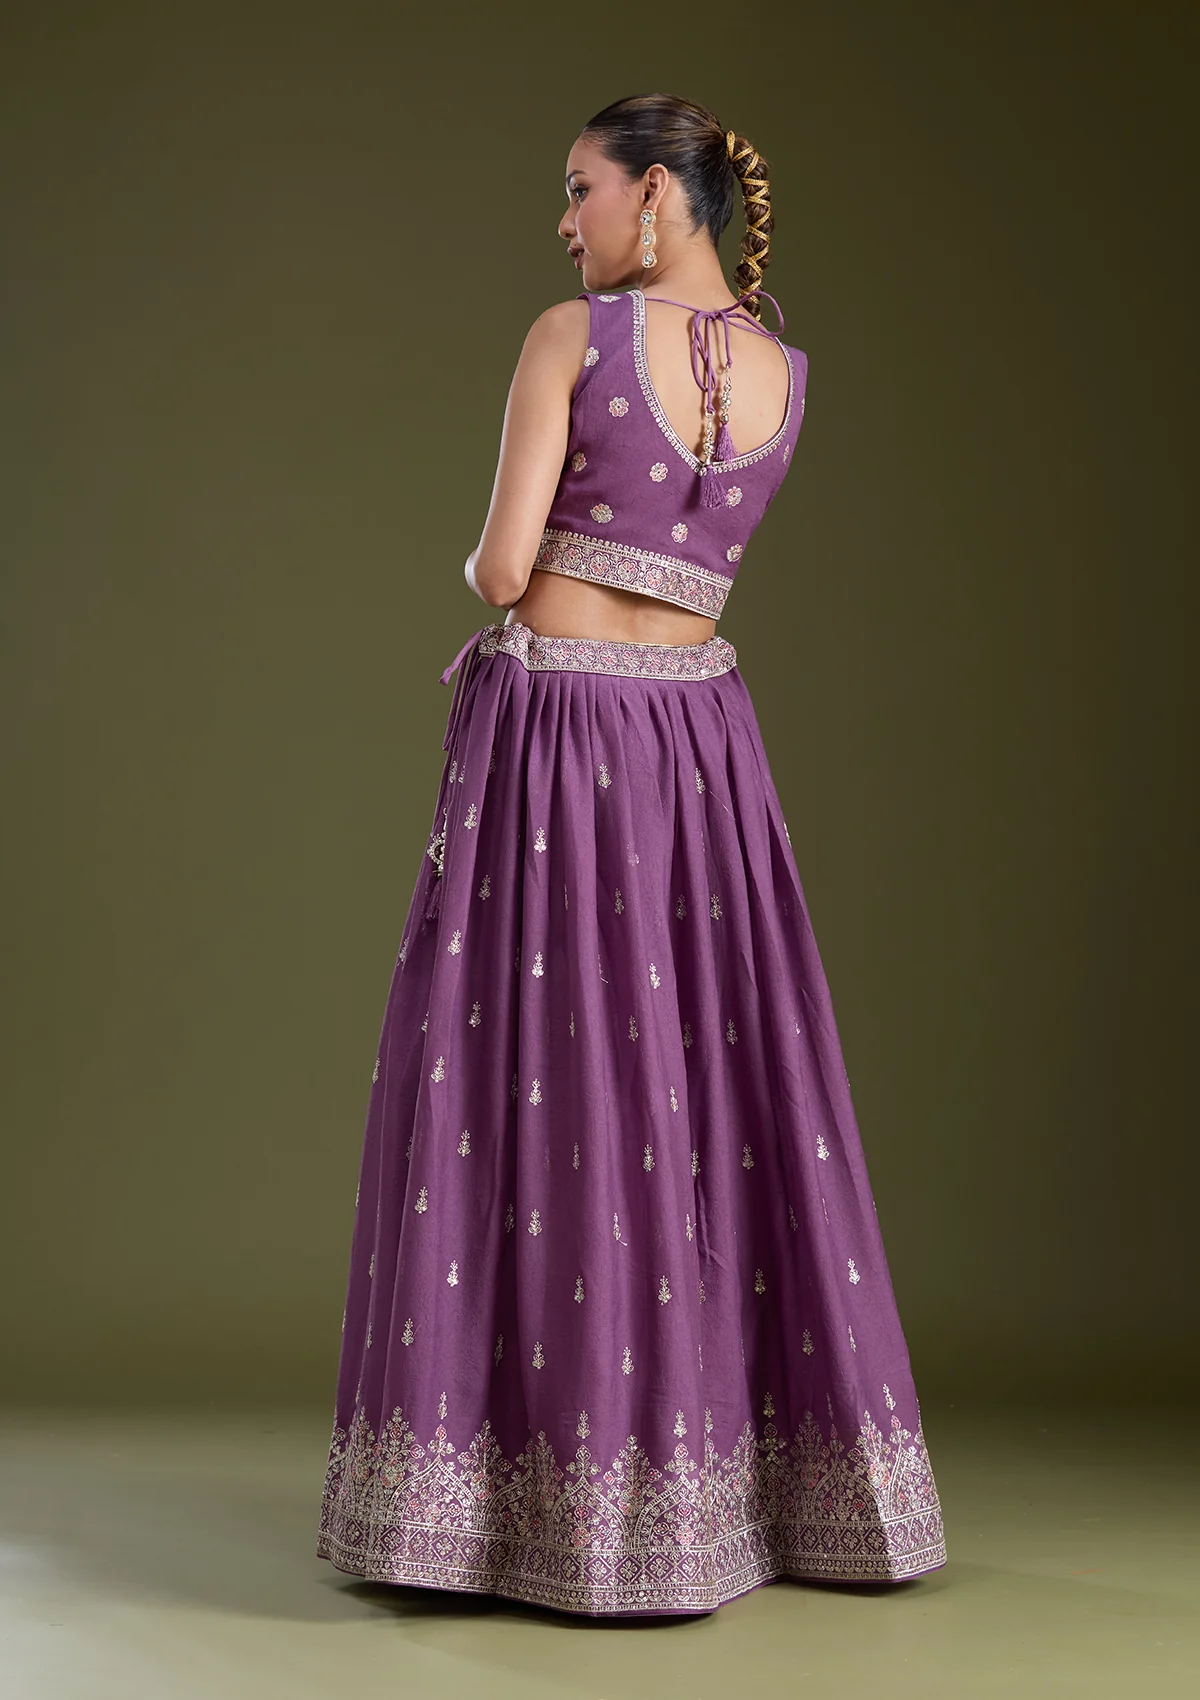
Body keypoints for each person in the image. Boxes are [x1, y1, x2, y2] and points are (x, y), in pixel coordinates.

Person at [315, 92, 947, 1618]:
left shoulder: (571, 339)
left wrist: (507, 563)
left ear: (657, 195)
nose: (566, 222)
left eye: (581, 189)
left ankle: (503, 1513)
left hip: (559, 735)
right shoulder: (789, 375)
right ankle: (728, 1504)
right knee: (701, 1077)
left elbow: (501, 568)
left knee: (532, 1077)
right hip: (700, 743)